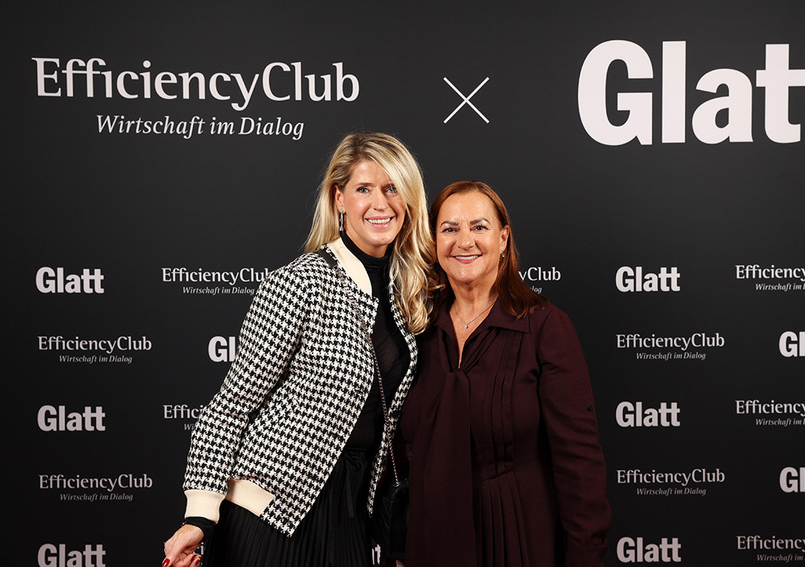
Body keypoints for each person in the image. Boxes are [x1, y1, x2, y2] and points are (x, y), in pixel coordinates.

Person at [162, 132, 432, 567]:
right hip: (271, 514)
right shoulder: (299, 283)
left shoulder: (408, 295)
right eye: (364, 189)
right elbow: (229, 407)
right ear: (339, 199)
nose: (380, 203)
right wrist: (199, 515)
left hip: (351, 517)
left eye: (392, 188)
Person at [400, 181, 611, 567]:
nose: (464, 241)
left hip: (520, 540)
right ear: (434, 242)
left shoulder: (545, 327)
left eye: (479, 227)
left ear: (503, 238)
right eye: (449, 228)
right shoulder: (416, 331)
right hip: (431, 544)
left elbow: (580, 465)